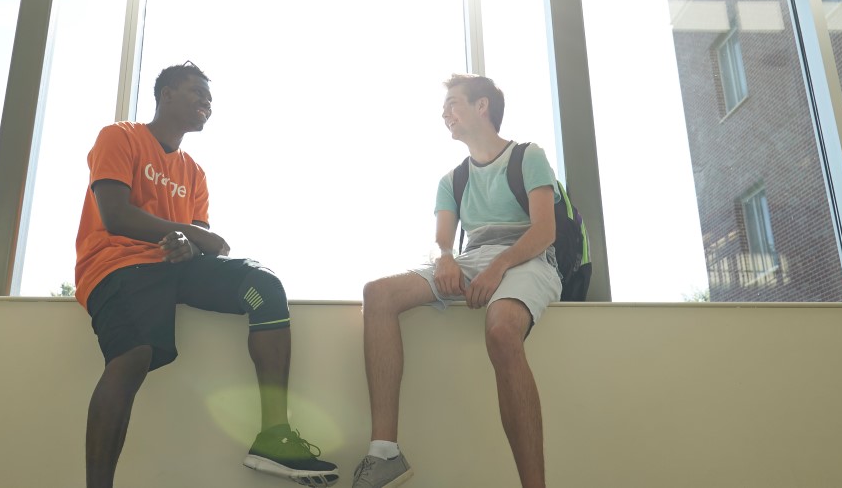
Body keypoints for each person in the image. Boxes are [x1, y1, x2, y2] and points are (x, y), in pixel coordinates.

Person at [75, 61, 339, 487]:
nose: (207, 103)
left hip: (174, 269)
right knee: (135, 353)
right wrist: (187, 233)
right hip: (117, 263)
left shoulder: (194, 172)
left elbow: (200, 239)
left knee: (263, 286)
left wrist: (186, 243)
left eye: (210, 98)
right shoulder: (119, 136)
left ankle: (273, 437)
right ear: (166, 95)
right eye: (197, 92)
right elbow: (115, 215)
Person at [352, 74, 561, 488]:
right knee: (377, 294)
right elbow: (442, 241)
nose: (444, 112)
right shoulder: (452, 180)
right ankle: (384, 453)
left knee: (501, 330)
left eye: (452, 103)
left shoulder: (528, 156)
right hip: (471, 259)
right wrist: (446, 258)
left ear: (481, 106)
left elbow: (544, 232)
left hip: (526, 256)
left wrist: (499, 266)